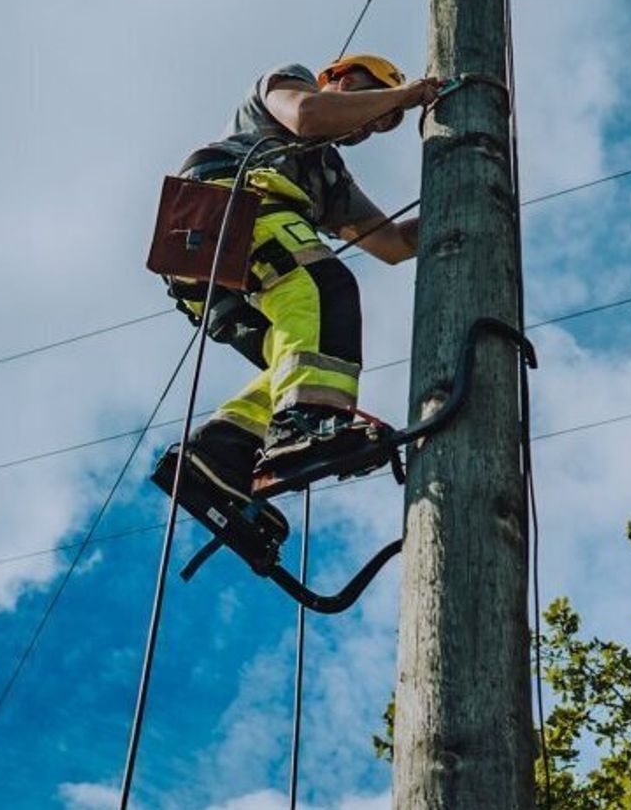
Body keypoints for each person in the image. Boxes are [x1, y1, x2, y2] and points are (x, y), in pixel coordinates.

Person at [152, 53, 441, 560]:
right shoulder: (289, 83)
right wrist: (407, 95)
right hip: (227, 205)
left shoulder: (329, 179)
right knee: (325, 290)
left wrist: (457, 199)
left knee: (299, 350)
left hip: (214, 271)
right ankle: (302, 424)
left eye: (383, 127)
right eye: (368, 97)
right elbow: (305, 115)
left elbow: (391, 244)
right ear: (337, 76)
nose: (374, 124)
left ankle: (221, 451)